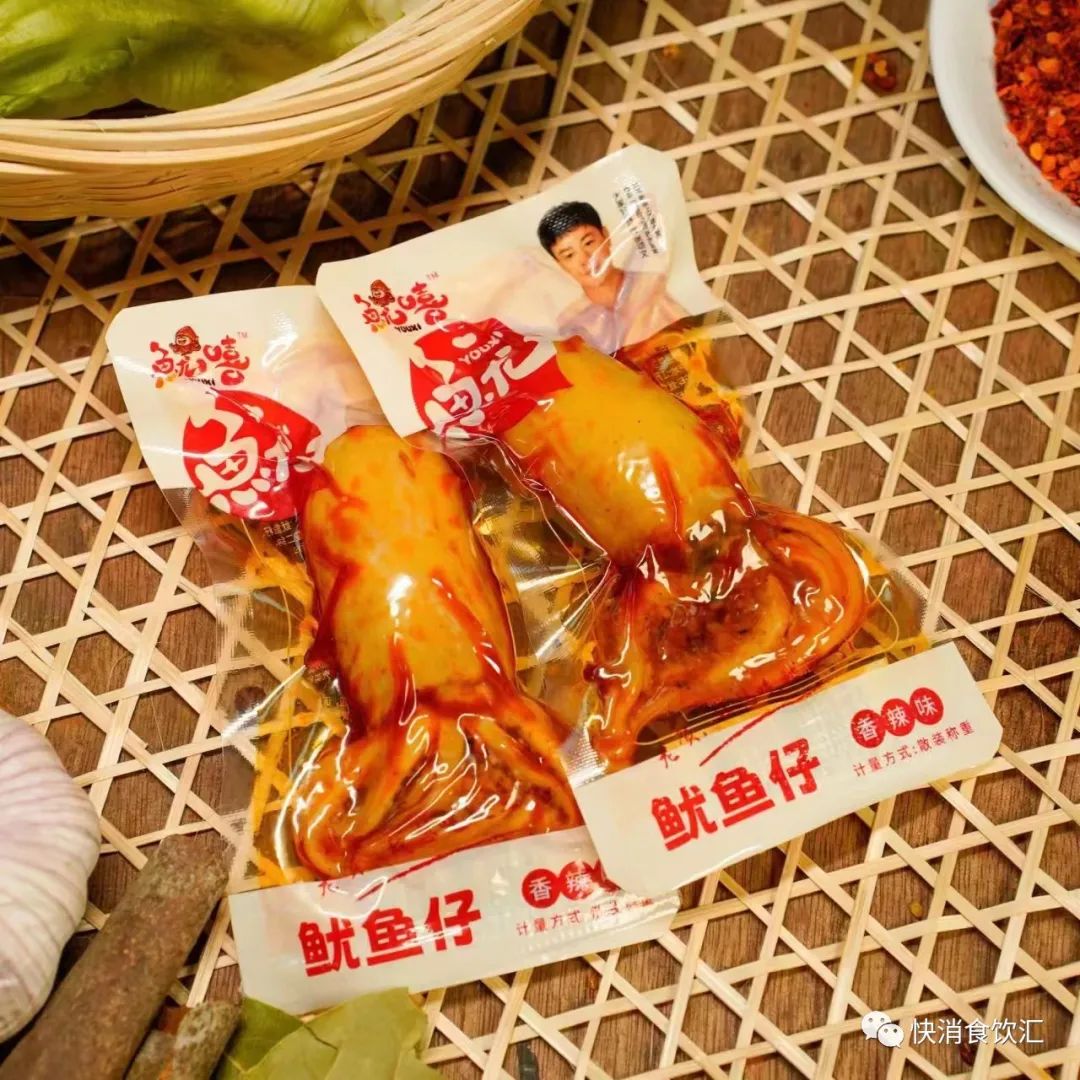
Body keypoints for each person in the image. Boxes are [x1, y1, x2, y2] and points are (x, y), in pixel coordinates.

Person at [537, 200, 687, 354]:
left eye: (588, 243)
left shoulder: (651, 285)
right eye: (569, 255)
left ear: (606, 235)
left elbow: (693, 337)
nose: (585, 259)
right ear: (560, 264)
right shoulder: (571, 322)